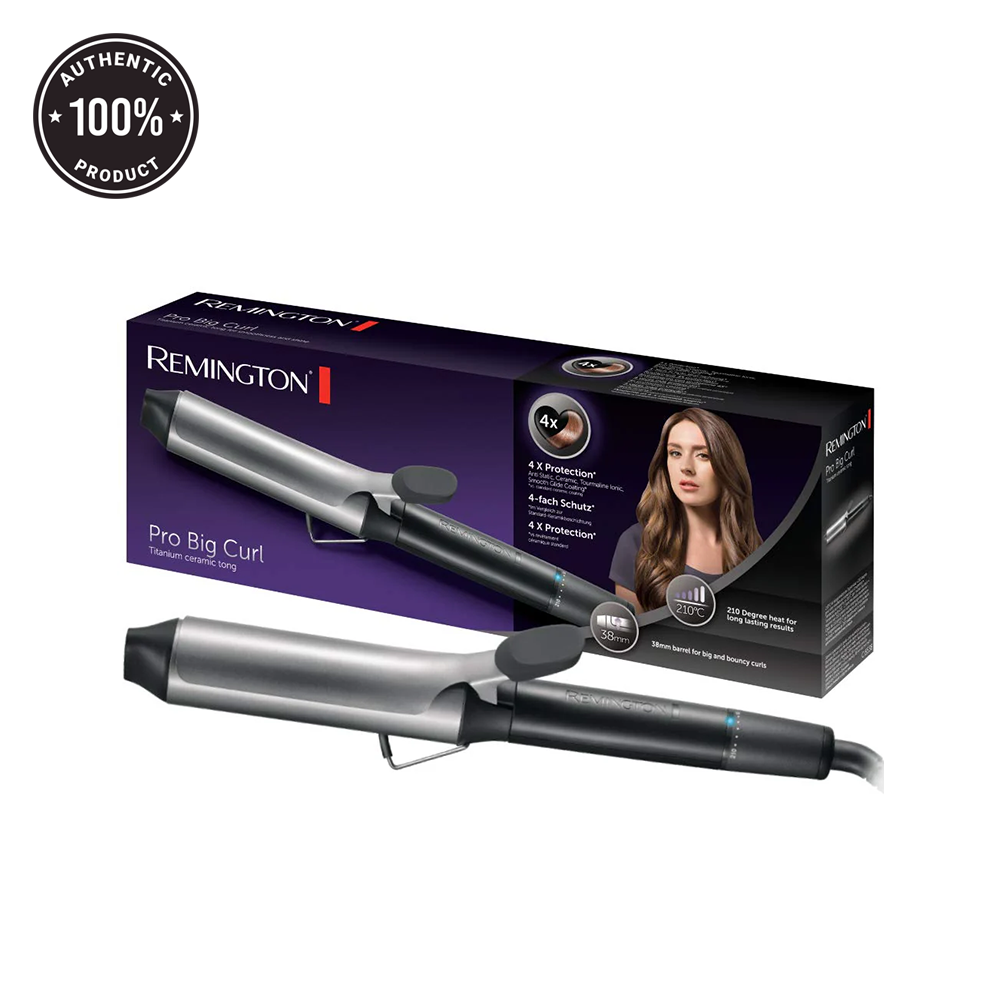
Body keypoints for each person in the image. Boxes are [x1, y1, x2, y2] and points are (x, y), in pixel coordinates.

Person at [610, 408, 762, 612]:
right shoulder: (637, 544)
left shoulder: (754, 550)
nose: (686, 467)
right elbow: (633, 630)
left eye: (703, 455)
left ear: (728, 467)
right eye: (675, 453)